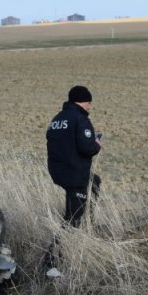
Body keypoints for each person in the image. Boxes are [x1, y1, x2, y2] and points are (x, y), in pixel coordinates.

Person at [46, 85, 102, 227]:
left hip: (58, 170)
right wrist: (96, 145)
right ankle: (57, 247)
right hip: (75, 174)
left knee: (94, 181)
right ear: (82, 101)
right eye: (89, 103)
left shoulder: (57, 119)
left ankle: (90, 223)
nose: (89, 107)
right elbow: (87, 148)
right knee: (73, 217)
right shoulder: (81, 119)